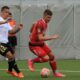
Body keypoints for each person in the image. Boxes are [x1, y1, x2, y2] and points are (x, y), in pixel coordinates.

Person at [28, 9, 65, 77]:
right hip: (34, 45)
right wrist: (52, 37)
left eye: (50, 17)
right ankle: (31, 61)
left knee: (52, 56)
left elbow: (32, 29)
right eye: (48, 17)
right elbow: (40, 38)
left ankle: (56, 73)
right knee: (46, 58)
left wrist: (31, 33)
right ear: (44, 16)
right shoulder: (40, 23)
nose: (49, 19)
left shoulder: (45, 24)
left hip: (40, 44)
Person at [0, 6, 24, 78]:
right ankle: (19, 72)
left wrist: (18, 28)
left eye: (8, 12)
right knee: (10, 56)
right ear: (1, 12)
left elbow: (11, 31)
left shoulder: (6, 22)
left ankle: (10, 70)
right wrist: (5, 21)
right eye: (6, 12)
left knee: (12, 57)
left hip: (6, 42)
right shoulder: (2, 20)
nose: (7, 14)